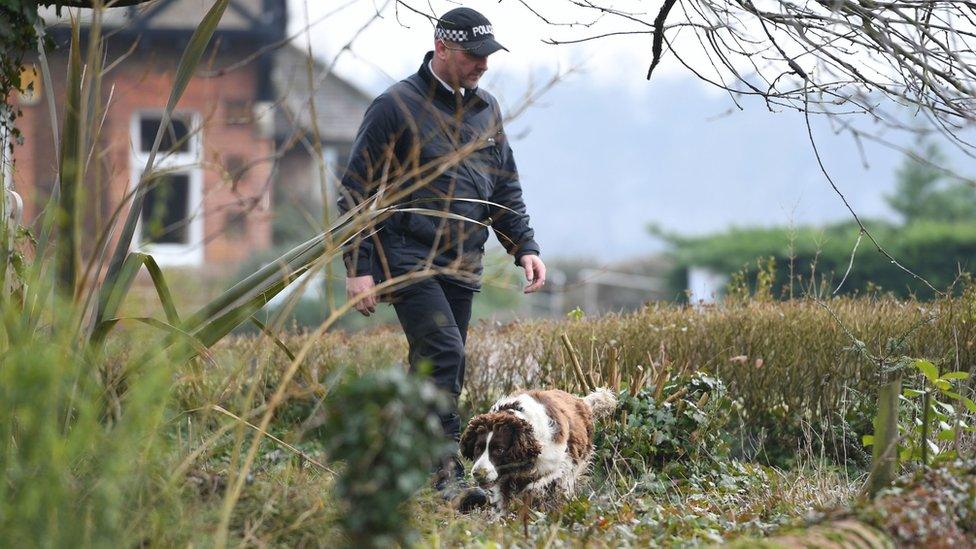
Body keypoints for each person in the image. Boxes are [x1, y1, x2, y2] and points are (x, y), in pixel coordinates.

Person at [337, 6, 546, 493]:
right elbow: (354, 190)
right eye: (474, 55)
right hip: (406, 255)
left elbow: (503, 188)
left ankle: (396, 460)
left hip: (462, 261)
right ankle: (443, 474)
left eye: (488, 55)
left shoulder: (487, 110)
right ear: (443, 48)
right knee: (445, 354)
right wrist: (358, 266)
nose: (483, 64)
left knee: (434, 367)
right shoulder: (394, 106)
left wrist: (524, 246)